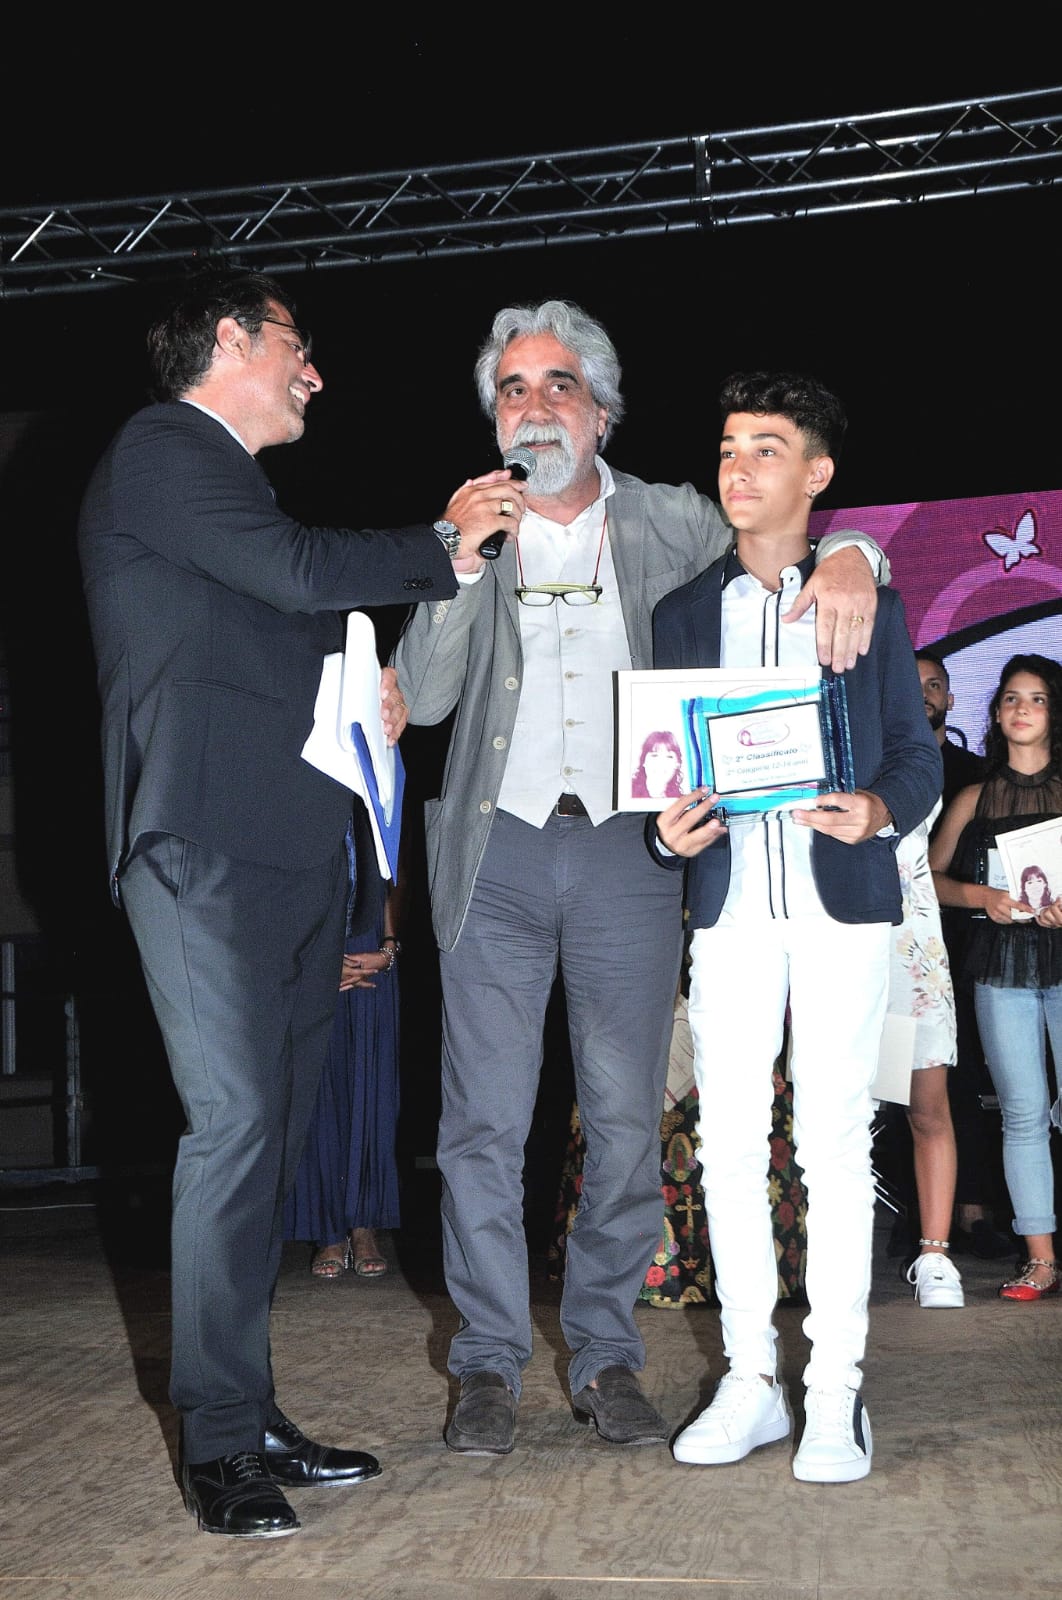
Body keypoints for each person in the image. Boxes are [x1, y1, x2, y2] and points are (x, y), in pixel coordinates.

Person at [391, 300, 887, 1457]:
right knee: (481, 1123)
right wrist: (458, 553)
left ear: (603, 411)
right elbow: (428, 690)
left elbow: (788, 535)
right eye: (513, 389)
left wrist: (857, 552)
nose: (534, 407)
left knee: (621, 1117)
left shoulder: (672, 516)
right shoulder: (467, 527)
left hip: (633, 850)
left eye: (557, 384)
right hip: (495, 854)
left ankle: (607, 1355)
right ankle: (486, 1364)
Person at [77, 269, 506, 1539]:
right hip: (202, 846)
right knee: (235, 1128)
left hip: (294, 853)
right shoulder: (162, 447)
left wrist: (367, 681)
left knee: (272, 1142)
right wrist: (442, 545)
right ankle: (217, 1443)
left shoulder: (225, 490)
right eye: (297, 346)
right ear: (232, 338)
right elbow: (294, 568)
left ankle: (252, 1410)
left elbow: (279, 612)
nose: (314, 373)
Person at [650, 371, 941, 1483]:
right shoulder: (684, 613)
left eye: (766, 448)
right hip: (728, 912)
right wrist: (665, 834)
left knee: (830, 1145)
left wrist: (876, 807)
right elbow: (657, 771)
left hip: (839, 906)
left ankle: (835, 1392)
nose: (739, 467)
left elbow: (915, 758)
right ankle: (750, 1382)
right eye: (729, 446)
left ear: (817, 473)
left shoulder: (866, 601)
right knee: (727, 1144)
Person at [929, 653, 1062, 1301]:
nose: (1022, 708)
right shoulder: (974, 797)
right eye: (1011, 697)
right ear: (995, 711)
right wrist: (982, 898)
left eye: (1037, 698)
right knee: (1022, 1112)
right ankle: (1040, 1259)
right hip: (1000, 964)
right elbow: (928, 879)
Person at [914, 649, 1011, 1259]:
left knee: (970, 1075)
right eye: (912, 683)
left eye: (935, 684)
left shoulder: (978, 778)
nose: (924, 692)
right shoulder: (874, 766)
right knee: (908, 1080)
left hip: (971, 942)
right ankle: (917, 1217)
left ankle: (974, 1208)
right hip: (896, 939)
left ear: (952, 699)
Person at [283, 797, 403, 1280]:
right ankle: (328, 1230)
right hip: (304, 942)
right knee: (319, 1087)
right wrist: (309, 959)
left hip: (370, 945)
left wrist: (389, 949)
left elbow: (392, 865)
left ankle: (364, 1226)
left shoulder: (375, 769)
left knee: (370, 1085)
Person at [892, 809, 965, 1308]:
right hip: (827, 943)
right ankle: (828, 1251)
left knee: (927, 1109)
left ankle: (935, 1256)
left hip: (908, 949)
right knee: (836, 1118)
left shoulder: (915, 765)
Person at [632, 730, 685, 800]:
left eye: (669, 756)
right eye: (654, 755)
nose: (661, 762)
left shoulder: (682, 800)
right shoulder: (628, 792)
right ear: (643, 761)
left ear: (677, 764)